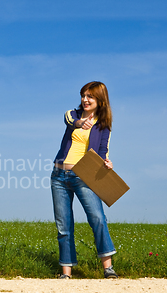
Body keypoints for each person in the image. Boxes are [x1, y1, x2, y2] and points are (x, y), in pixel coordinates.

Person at [51, 81, 118, 279]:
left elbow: (102, 151)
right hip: (59, 177)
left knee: (97, 218)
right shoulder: (73, 114)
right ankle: (66, 271)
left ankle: (108, 268)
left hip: (84, 177)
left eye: (90, 96)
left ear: (100, 100)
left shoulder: (104, 126)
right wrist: (81, 123)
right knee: (64, 225)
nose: (85, 99)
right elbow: (70, 121)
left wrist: (107, 162)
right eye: (83, 95)